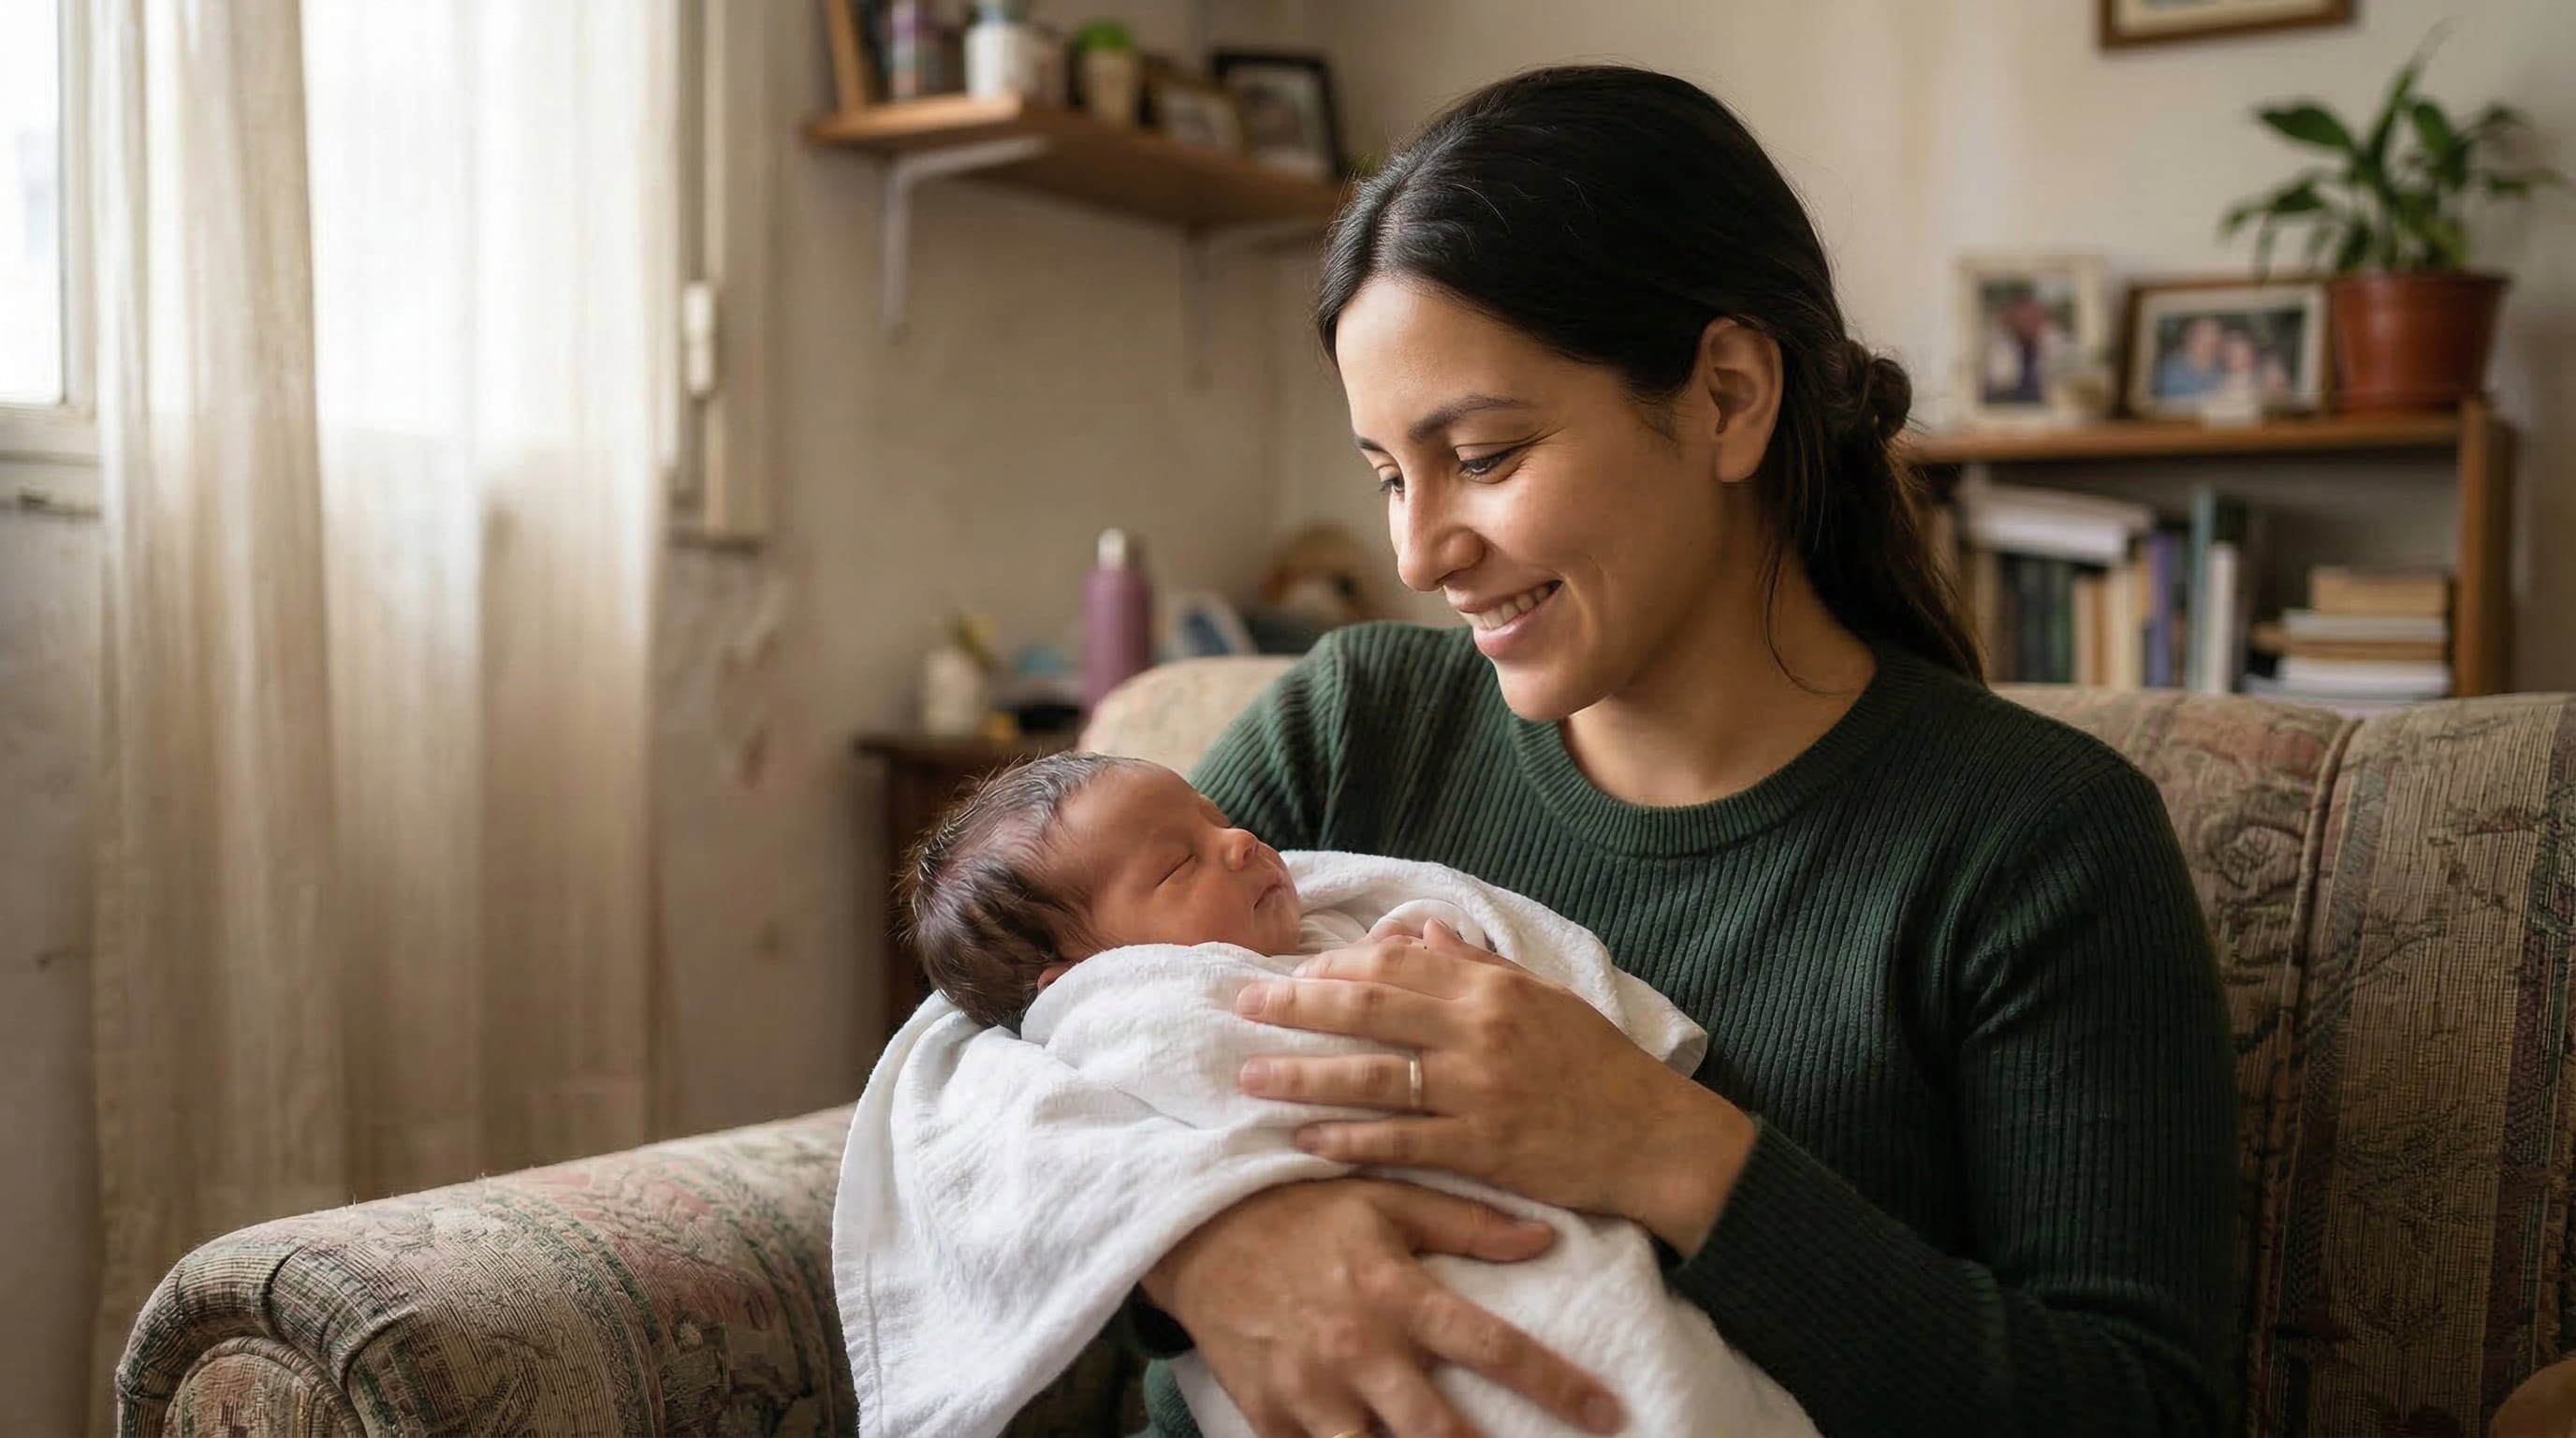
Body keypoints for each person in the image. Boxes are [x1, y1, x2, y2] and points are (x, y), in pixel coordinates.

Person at [861, 64, 2235, 1438]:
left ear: (1728, 396)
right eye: (1391, 475)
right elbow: (988, 1051)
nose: (1419, 551)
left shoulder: (2039, 845)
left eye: (1486, 454)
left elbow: (2138, 1406)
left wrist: (1664, 1148)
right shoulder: (1354, 726)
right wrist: (1197, 1249)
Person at [879, 751, 1819, 1435]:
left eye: (1217, 821)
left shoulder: (1336, 925)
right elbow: (962, 1067)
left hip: (1546, 1251)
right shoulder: (1129, 1014)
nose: (1241, 839)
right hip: (1336, 1377)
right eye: (1179, 863)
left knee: (1659, 1379)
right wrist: (1191, 1237)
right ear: (1074, 981)